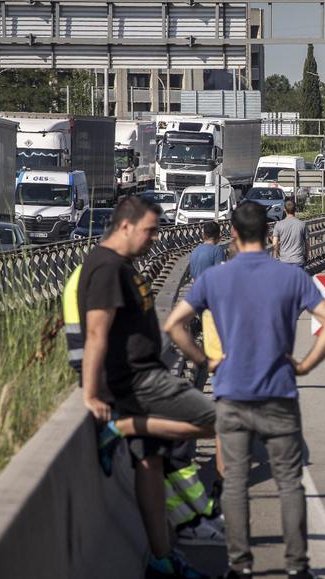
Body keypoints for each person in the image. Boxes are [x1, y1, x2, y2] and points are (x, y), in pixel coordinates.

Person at [164, 202, 325, 579]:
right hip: (279, 392)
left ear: (232, 233)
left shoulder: (215, 279)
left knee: (235, 483)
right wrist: (307, 364)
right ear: (268, 234)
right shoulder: (292, 278)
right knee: (290, 482)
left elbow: (175, 324)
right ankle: (297, 567)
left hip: (231, 394)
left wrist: (205, 360)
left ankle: (240, 566)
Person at [78, 195, 216, 579]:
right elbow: (95, 332)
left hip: (145, 372)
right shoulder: (106, 268)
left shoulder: (124, 265)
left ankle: (161, 558)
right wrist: (91, 394)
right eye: (150, 230)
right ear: (125, 226)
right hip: (138, 380)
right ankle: (119, 427)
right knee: (224, 420)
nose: (155, 238)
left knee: (150, 466)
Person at [271, 200, 308, 269]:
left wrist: (276, 255)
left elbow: (274, 243)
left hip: (284, 260)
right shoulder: (302, 224)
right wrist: (306, 256)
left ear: (284, 210)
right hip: (298, 260)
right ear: (295, 210)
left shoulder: (278, 224)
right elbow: (307, 243)